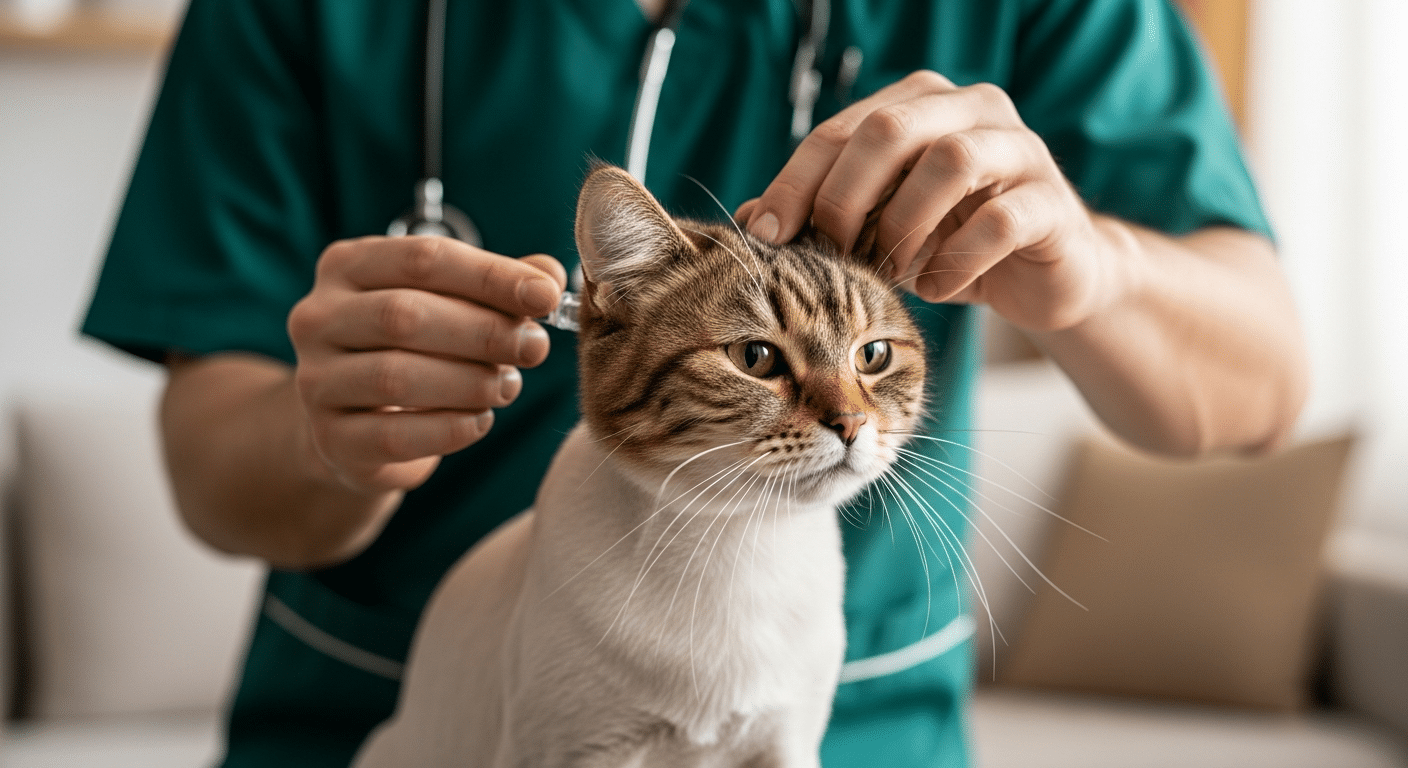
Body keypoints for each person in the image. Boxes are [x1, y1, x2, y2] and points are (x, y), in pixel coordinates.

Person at [81, 0, 1307, 765]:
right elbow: (211, 470)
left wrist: (1092, 264)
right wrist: (330, 436)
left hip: (862, 715)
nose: (837, 404)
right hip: (386, 705)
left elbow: (1260, 379)